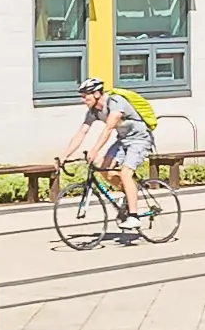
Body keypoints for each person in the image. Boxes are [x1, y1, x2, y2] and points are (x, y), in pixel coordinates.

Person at [61, 77, 159, 233]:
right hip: (123, 140)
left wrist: (95, 150)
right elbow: (82, 132)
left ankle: (134, 216)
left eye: (86, 95)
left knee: (126, 174)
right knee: (104, 169)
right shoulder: (93, 111)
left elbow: (108, 128)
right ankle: (129, 194)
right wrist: (64, 155)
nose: (83, 99)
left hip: (140, 140)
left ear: (97, 93)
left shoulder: (115, 102)